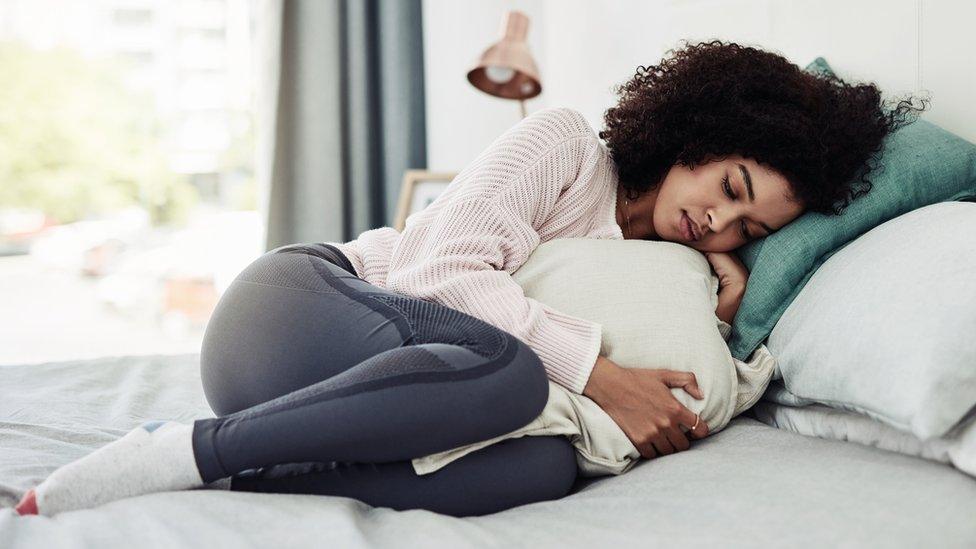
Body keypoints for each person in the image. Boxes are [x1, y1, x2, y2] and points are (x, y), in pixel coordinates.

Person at [14, 40, 926, 517]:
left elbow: (681, 372)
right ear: (697, 133)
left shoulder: (680, 266)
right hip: (298, 312)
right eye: (729, 188)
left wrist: (719, 294)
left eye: (749, 227)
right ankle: (187, 447)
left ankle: (233, 480)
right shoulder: (566, 144)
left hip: (366, 398)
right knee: (512, 371)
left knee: (540, 466)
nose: (720, 221)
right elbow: (434, 270)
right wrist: (599, 372)